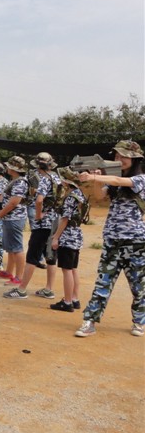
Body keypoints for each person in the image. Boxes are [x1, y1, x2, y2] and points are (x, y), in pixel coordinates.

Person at [75, 140, 145, 337]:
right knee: (102, 283)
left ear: (135, 159)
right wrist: (96, 178)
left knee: (139, 285)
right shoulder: (112, 180)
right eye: (117, 156)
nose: (119, 159)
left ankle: (139, 322)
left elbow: (121, 182)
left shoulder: (141, 179)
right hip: (112, 240)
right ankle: (89, 321)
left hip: (136, 241)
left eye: (124, 156)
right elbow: (98, 197)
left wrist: (101, 177)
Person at [4, 152, 61, 298]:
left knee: (33, 256)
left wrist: (37, 216)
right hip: (56, 221)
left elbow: (39, 200)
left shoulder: (43, 179)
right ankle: (48, 289)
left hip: (43, 223)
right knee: (50, 256)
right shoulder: (56, 177)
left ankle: (21, 289)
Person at [49, 167, 87, 312]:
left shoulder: (71, 197)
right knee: (73, 269)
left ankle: (67, 301)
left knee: (66, 270)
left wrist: (56, 237)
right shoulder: (80, 194)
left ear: (66, 182)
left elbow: (64, 219)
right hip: (76, 235)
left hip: (68, 236)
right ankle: (75, 298)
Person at [0, 156, 28, 290]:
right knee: (11, 247)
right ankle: (9, 272)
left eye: (9, 166)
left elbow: (14, 202)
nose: (7, 168)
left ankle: (18, 277)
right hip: (10, 218)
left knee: (17, 248)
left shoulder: (20, 182)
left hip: (14, 218)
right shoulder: (15, 180)